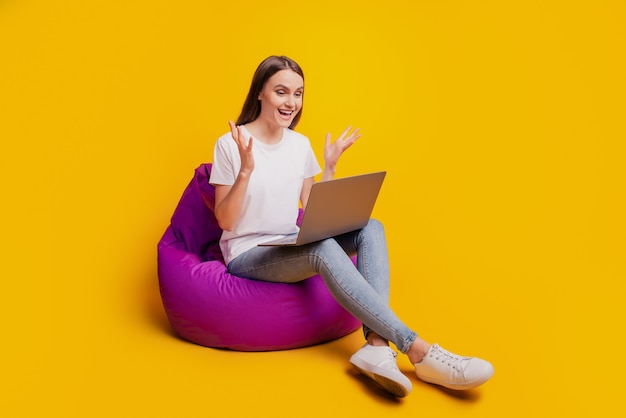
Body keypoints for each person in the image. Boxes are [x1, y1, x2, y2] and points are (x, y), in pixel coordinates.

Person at [209, 55, 494, 397]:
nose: (291, 103)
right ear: (260, 93)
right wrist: (245, 170)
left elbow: (313, 211)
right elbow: (225, 220)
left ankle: (376, 346)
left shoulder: (299, 145)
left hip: (289, 242)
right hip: (247, 253)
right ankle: (416, 349)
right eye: (281, 92)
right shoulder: (231, 143)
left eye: (298, 94)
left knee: (370, 226)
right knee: (323, 248)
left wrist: (328, 169)